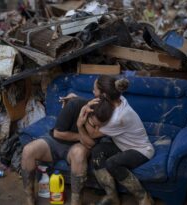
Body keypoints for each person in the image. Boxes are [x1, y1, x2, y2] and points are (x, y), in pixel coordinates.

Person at [62, 75, 155, 205]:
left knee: (112, 163)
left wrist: (81, 116)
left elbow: (93, 134)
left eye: (95, 90)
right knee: (97, 151)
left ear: (104, 95)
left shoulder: (117, 117)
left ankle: (143, 197)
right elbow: (96, 105)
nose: (93, 93)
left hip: (141, 150)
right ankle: (112, 197)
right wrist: (78, 100)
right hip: (123, 145)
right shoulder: (117, 98)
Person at [21, 95, 114, 205]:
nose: (96, 130)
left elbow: (90, 144)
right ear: (87, 112)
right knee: (28, 150)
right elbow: (57, 133)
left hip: (78, 147)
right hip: (55, 141)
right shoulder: (74, 105)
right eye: (93, 125)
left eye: (100, 126)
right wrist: (81, 135)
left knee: (79, 154)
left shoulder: (108, 120)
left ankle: (76, 202)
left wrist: (80, 126)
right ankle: (29, 196)